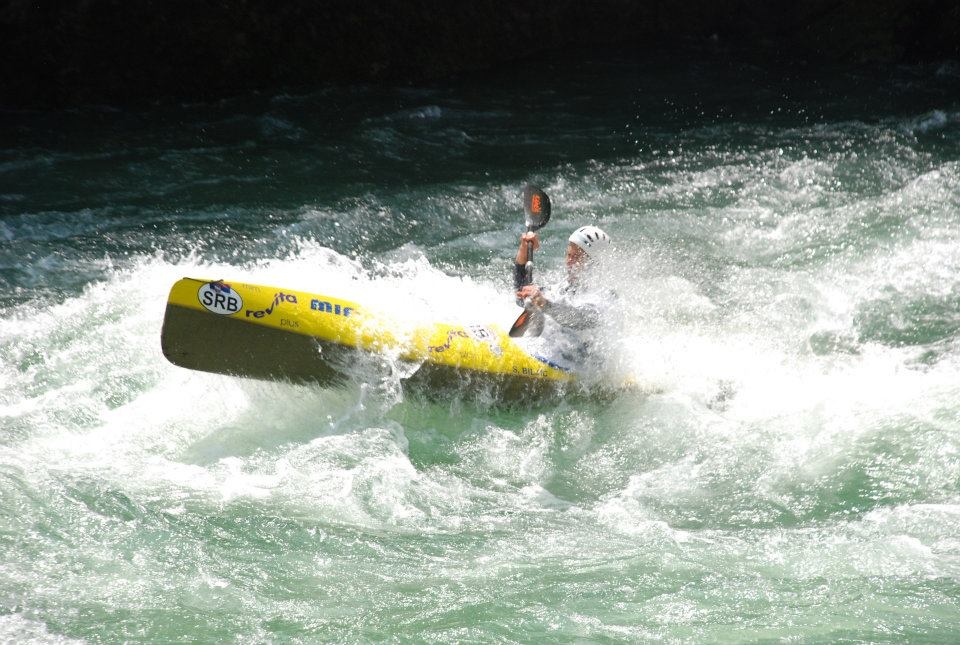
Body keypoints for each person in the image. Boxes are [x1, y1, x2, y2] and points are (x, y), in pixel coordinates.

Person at [511, 225, 614, 371]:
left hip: (586, 368)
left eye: (577, 257)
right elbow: (521, 298)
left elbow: (579, 319)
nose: (569, 262)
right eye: (569, 255)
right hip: (559, 359)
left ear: (595, 264)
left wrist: (544, 304)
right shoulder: (564, 288)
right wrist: (523, 251)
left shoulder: (605, 298)